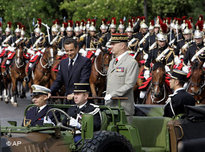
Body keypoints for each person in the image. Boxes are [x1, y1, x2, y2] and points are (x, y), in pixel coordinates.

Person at [104, 33, 139, 123]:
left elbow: (129, 84)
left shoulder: (131, 62)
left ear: (122, 46)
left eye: (114, 44)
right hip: (110, 107)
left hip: (123, 108)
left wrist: (112, 95)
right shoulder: (112, 62)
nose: (111, 46)